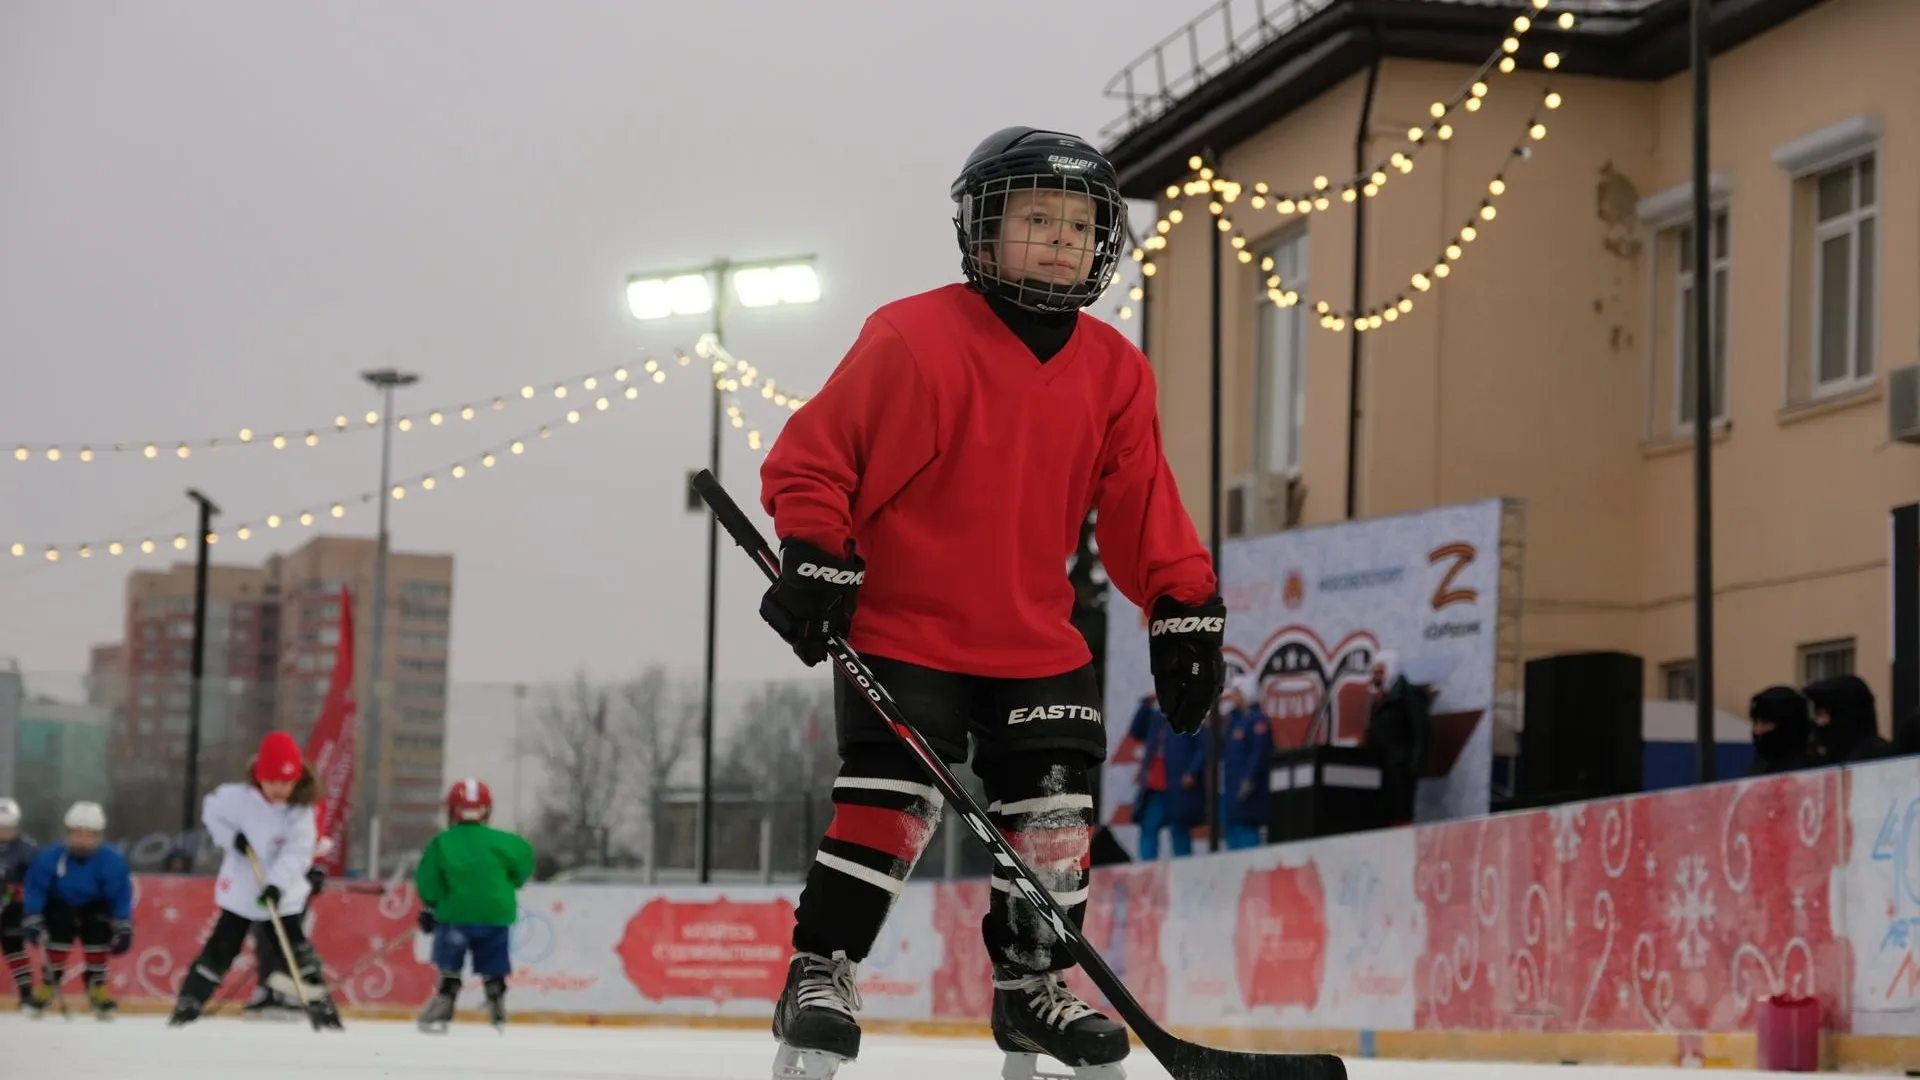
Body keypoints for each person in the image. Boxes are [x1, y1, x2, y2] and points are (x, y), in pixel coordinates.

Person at [754, 125, 1225, 1080]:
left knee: (1053, 819)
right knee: (893, 800)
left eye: (1080, 223)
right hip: (905, 626)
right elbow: (814, 460)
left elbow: (1141, 506)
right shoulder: (912, 337)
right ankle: (822, 969)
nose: (1060, 239)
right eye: (1036, 218)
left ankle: (1032, 991)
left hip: (1036, 638)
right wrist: (816, 553)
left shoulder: (1115, 369)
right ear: (981, 231)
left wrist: (1183, 603)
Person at [168, 731, 342, 1029]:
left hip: (281, 893)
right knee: (222, 946)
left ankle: (320, 1006)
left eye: (286, 783)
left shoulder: (301, 811)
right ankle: (191, 1000)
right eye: (272, 781)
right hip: (242, 887)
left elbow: (297, 852)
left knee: (294, 949)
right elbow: (212, 814)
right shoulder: (235, 798)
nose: (279, 789)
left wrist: (276, 884)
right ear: (259, 776)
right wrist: (231, 838)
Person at [414, 778, 535, 1033]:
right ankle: (496, 997)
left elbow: (428, 881)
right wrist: (511, 882)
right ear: (486, 810)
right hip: (495, 914)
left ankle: (445, 999)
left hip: (455, 915)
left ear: (452, 810)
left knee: (450, 962)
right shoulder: (506, 841)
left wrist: (432, 905)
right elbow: (524, 861)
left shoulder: (442, 843)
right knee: (493, 961)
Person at [20, 801, 133, 1019]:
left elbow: (120, 895)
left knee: (98, 935)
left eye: (89, 834)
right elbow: (35, 888)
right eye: (77, 833)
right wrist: (32, 916)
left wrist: (124, 923)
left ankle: (97, 987)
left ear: (99, 836)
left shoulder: (112, 861)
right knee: (56, 935)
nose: (82, 840)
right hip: (59, 905)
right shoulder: (49, 858)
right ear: (67, 834)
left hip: (95, 907)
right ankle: (47, 986)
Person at [242, 834, 334, 1020]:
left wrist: (316, 869)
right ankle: (266, 988)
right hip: (268, 879)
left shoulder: (308, 816)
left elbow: (318, 839)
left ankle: (289, 990)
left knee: (291, 937)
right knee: (265, 935)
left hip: (296, 883)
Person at [1128, 694, 1207, 860]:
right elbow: (1136, 731)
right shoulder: (1156, 715)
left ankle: (1184, 869)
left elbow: (1204, 745)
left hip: (1178, 783)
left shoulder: (1190, 713)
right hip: (1155, 784)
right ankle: (1147, 870)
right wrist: (1145, 705)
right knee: (1149, 826)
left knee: (1179, 828)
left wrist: (1193, 771)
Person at [1364, 651, 1431, 827]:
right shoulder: (1377, 700)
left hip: (1401, 771)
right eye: (1374, 671)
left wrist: (1413, 766)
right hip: (1379, 770)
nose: (1375, 675)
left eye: (1380, 671)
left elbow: (1420, 731)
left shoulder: (1409, 694)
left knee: (1400, 816)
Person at [0, 797, 44, 1011]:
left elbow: (36, 878)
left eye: (8, 827)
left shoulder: (27, 848)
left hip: (12, 908)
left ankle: (26, 994)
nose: (4, 832)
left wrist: (18, 890)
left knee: (14, 947)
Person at [1220, 676, 1273, 851]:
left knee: (1247, 839)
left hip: (1249, 794)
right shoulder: (1234, 722)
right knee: (1232, 838)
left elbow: (1259, 753)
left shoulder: (1258, 720)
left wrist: (1249, 780)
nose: (1234, 697)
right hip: (1231, 791)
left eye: (1238, 693)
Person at [1805, 674, 1893, 764]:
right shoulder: (1828, 759)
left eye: (1826, 714)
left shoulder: (1881, 759)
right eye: (1819, 714)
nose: (1821, 722)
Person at [1746, 686, 1816, 776]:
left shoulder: (1812, 768)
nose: (1757, 731)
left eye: (1765, 723)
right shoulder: (1762, 761)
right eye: (1755, 722)